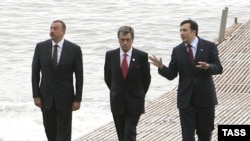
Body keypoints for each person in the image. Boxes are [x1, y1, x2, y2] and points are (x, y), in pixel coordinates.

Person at [149, 19, 223, 141]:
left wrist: (208, 67)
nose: (181, 33)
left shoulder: (209, 46)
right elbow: (172, 74)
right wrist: (161, 67)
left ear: (193, 32)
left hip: (205, 100)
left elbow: (219, 68)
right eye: (180, 30)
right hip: (186, 101)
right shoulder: (177, 50)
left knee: (205, 136)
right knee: (187, 137)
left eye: (185, 30)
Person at [32, 20, 83, 141]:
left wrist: (78, 98)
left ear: (63, 31)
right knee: (50, 131)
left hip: (65, 98)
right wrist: (36, 95)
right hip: (46, 97)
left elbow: (79, 76)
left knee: (64, 134)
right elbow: (35, 73)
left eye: (55, 28)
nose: (52, 31)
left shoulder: (74, 49)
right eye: (51, 28)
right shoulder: (41, 47)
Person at [104, 26, 151, 141]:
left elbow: (146, 79)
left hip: (135, 101)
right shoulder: (111, 55)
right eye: (122, 40)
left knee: (129, 132)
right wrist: (116, 90)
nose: (125, 43)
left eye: (128, 40)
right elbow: (108, 77)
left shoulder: (141, 56)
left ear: (132, 39)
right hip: (117, 101)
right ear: (118, 39)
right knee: (121, 134)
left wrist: (138, 93)